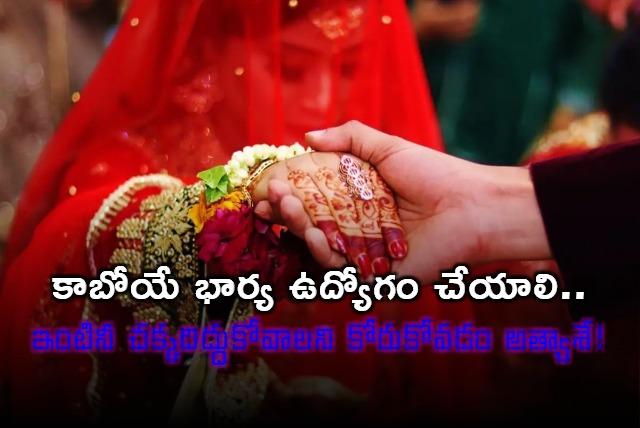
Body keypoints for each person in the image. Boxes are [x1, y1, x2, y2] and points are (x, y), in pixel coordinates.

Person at [0, 0, 472, 426]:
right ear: (213, 46)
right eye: (293, 68)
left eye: (348, 64)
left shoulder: (381, 205)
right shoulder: (122, 170)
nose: (321, 97)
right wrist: (224, 215)